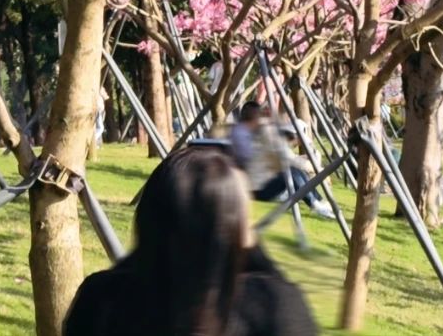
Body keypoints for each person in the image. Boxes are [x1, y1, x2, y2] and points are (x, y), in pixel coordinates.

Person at [65, 144, 316, 336]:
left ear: (148, 214)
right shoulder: (271, 304)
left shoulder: (99, 299)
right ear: (235, 230)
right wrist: (249, 241)